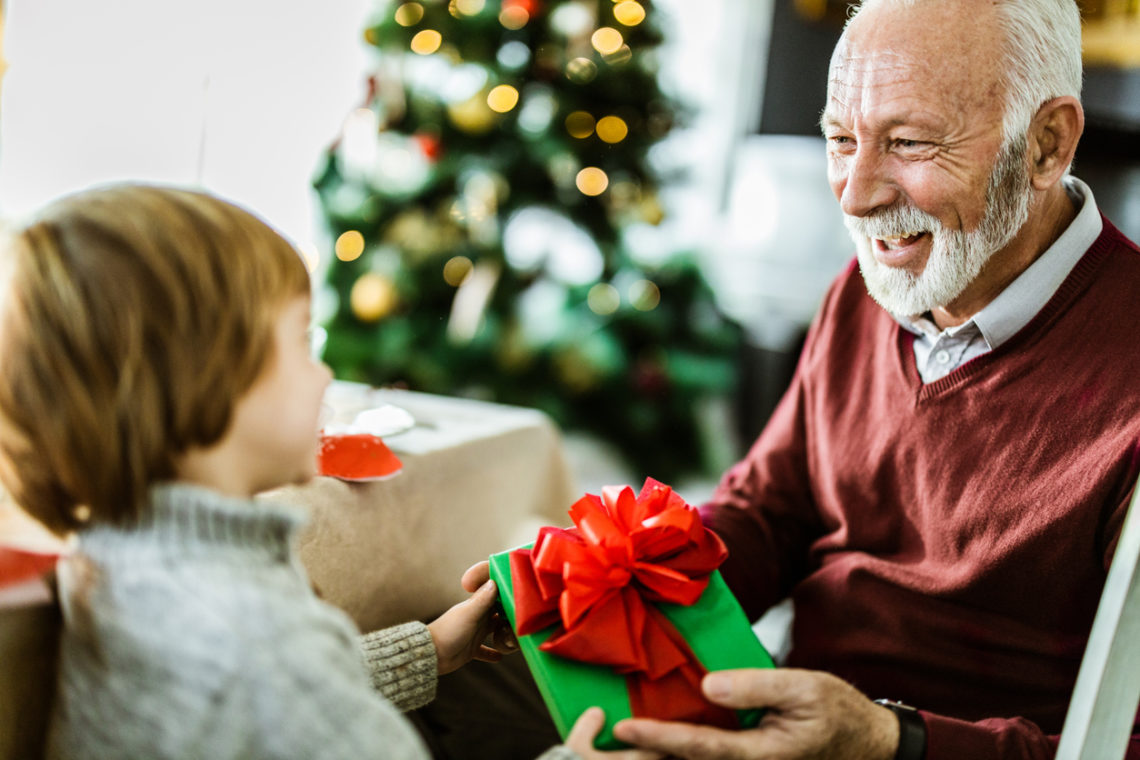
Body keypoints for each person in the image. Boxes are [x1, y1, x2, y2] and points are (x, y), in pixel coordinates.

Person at [591, 0, 1140, 758]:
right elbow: (768, 512)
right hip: (787, 719)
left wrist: (891, 742)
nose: (854, 194)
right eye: (841, 140)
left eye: (909, 143)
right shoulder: (870, 286)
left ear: (1048, 145)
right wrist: (625, 585)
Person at [0, 184, 656, 760]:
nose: (325, 375)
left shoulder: (120, 548)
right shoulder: (257, 638)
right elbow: (274, 681)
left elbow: (268, 711)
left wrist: (430, 649)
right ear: (206, 382)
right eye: (300, 339)